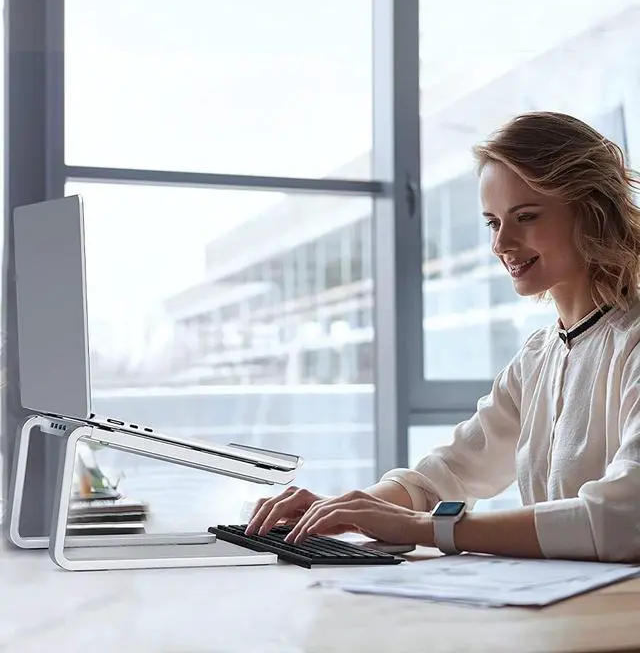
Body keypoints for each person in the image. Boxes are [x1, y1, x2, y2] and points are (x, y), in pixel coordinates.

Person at [246, 111, 640, 563]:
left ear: (592, 213)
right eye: (493, 222)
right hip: (565, 604)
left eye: (526, 217)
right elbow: (447, 473)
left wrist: (424, 528)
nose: (501, 244)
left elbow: (624, 518)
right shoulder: (538, 358)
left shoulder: (632, 344)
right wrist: (346, 509)